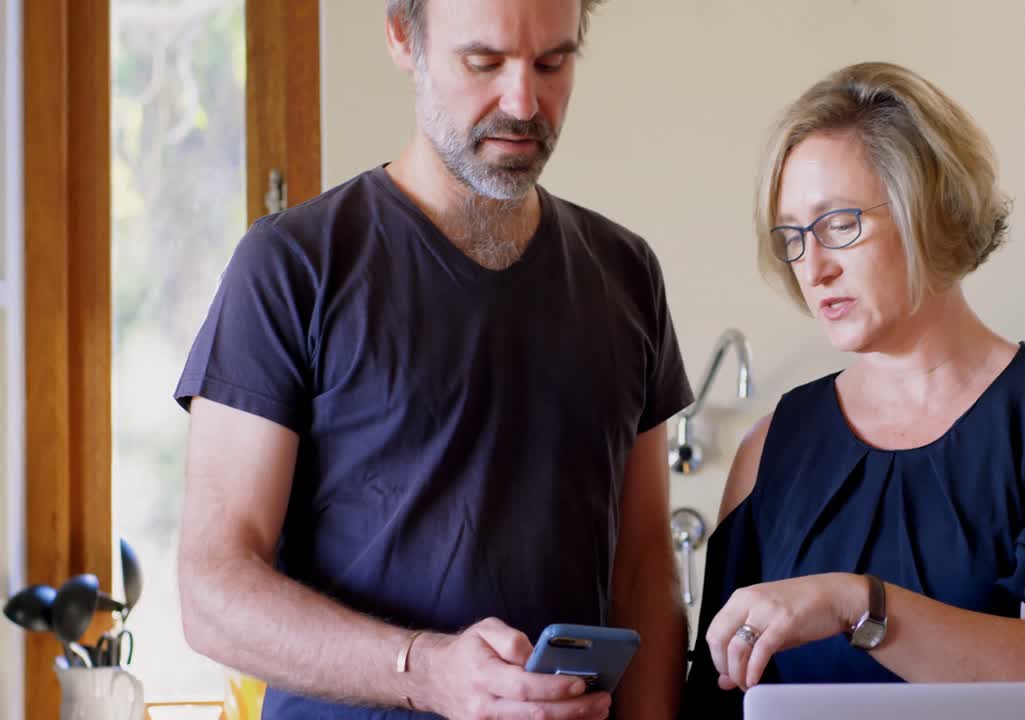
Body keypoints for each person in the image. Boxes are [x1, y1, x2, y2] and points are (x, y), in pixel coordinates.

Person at [174, 1, 692, 718]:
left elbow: (644, 570)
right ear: (401, 38)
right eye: (483, 63)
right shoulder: (291, 266)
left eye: (552, 63)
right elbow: (212, 592)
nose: (522, 102)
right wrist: (425, 670)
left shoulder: (627, 273)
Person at [681, 61, 1025, 716]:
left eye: (839, 223)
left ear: (928, 207)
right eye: (793, 235)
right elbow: (718, 699)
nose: (814, 267)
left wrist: (858, 604)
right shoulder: (770, 449)